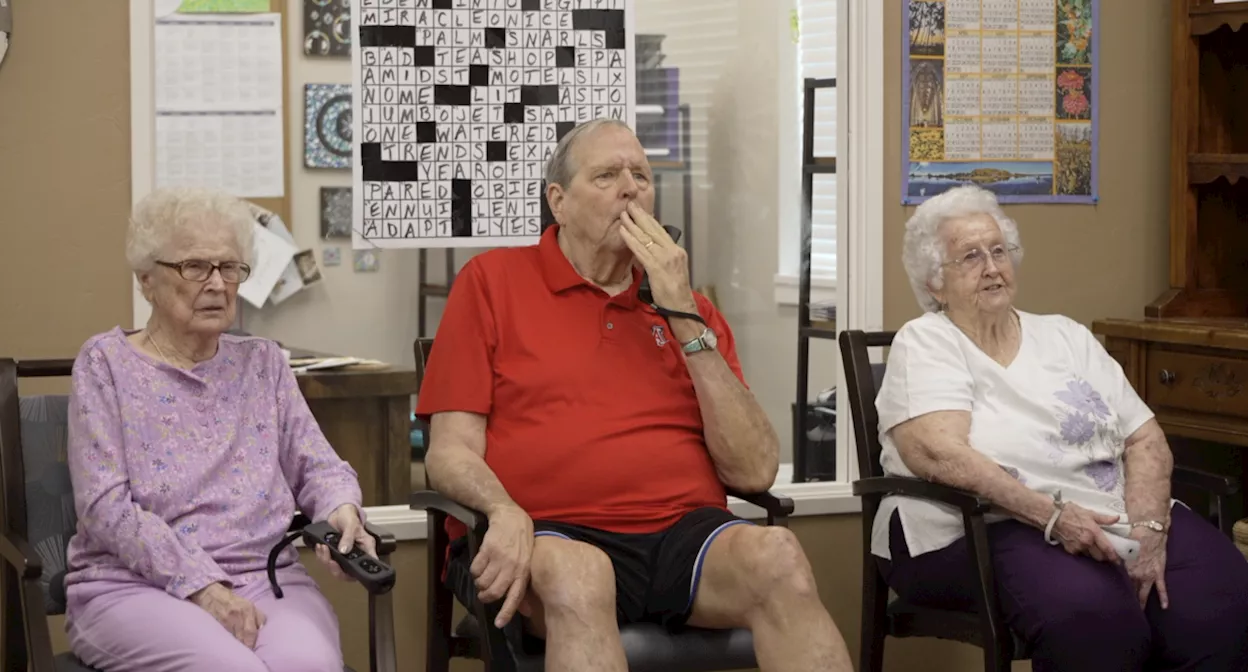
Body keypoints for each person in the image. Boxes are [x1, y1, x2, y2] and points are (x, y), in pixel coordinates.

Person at [417, 118, 853, 672]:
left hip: (682, 535)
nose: (630, 188)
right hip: (547, 530)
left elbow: (755, 471)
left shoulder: (691, 311)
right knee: (583, 576)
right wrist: (502, 509)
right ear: (560, 201)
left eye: (641, 176)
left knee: (778, 557)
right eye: (606, 176)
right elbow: (448, 451)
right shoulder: (490, 282)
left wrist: (682, 314)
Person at [875, 185, 1248, 671]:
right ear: (935, 282)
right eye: (971, 257)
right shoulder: (927, 343)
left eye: (999, 251)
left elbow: (1144, 437)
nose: (992, 267)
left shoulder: (1064, 335)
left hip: (1111, 512)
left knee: (1224, 604)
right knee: (1094, 616)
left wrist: (1148, 529)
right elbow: (936, 453)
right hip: (981, 525)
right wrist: (1052, 516)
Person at [63, 187, 375, 672]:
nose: (217, 283)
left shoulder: (263, 363)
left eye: (229, 268)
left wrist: (342, 511)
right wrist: (203, 587)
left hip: (265, 577)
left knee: (309, 665)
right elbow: (105, 508)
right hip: (133, 585)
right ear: (147, 281)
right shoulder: (104, 364)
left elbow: (318, 465)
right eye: (194, 267)